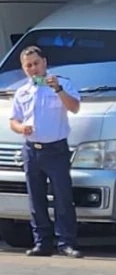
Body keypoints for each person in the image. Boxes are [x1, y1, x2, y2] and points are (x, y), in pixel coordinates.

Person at [8, 46, 82, 258]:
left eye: (36, 63)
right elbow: (14, 119)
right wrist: (21, 128)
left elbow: (74, 107)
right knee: (36, 199)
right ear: (24, 68)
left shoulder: (62, 84)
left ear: (45, 63)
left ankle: (66, 242)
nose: (33, 68)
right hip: (32, 150)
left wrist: (58, 89)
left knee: (62, 197)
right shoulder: (22, 91)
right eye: (28, 65)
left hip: (56, 149)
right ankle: (42, 242)